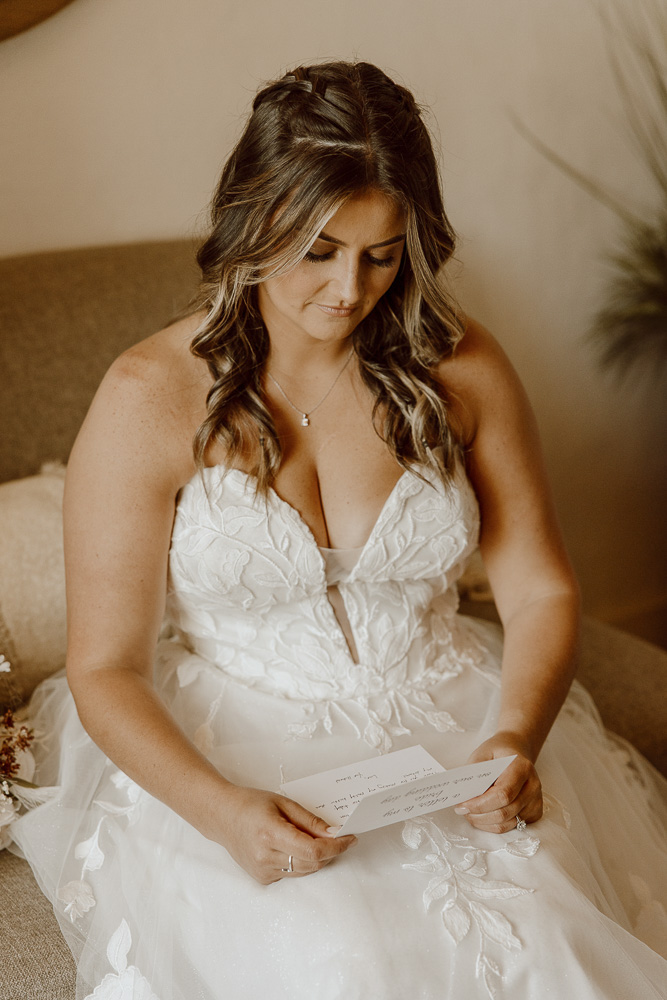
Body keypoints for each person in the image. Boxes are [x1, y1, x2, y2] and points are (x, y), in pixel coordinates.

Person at [11, 61, 667, 1000]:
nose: (348, 289)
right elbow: (105, 666)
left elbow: (541, 589)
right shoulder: (146, 397)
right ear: (252, 220)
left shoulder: (463, 366)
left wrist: (515, 734)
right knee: (345, 961)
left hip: (455, 726)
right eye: (317, 249)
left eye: (383, 253)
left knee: (551, 945)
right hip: (233, 752)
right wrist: (226, 814)